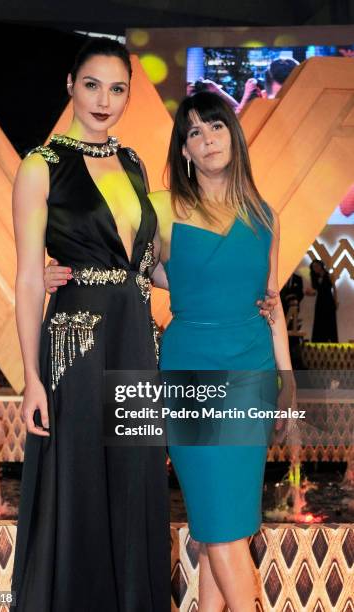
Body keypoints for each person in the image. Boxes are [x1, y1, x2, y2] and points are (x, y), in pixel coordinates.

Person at [45, 91, 291, 611]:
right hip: (191, 371)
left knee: (222, 526)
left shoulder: (265, 215)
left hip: (254, 373)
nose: (207, 140)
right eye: (194, 132)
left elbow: (271, 305)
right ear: (184, 149)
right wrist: (58, 272)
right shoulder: (162, 208)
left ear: (233, 136)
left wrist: (286, 379)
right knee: (221, 527)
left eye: (216, 127)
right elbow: (108, 253)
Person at [11, 37, 171, 612]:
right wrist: (30, 377)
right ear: (71, 86)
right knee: (77, 481)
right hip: (75, 344)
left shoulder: (133, 164)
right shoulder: (41, 165)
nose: (105, 100)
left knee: (133, 480)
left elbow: (147, 265)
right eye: (92, 85)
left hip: (134, 338)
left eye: (118, 88)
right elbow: (30, 277)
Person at [307, 259, 339, 342]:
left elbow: (334, 289)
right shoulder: (314, 277)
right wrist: (308, 292)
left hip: (329, 300)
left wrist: (336, 301)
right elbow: (315, 291)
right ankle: (319, 341)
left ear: (321, 266)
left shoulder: (329, 275)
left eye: (316, 266)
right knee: (319, 321)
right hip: (320, 301)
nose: (315, 268)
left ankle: (331, 341)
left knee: (330, 321)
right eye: (313, 267)